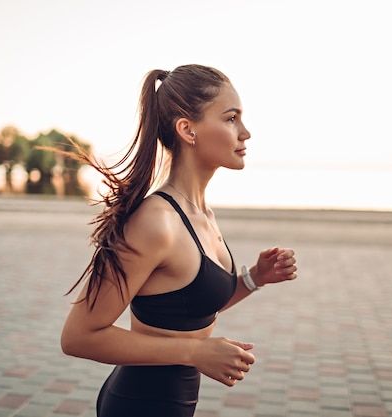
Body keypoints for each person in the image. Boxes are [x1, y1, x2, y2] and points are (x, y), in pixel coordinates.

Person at [60, 64, 298, 417]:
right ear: (188, 130)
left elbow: (187, 310)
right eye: (231, 118)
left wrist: (254, 279)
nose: (245, 133)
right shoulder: (156, 222)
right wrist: (194, 353)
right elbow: (78, 337)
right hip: (137, 406)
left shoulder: (202, 215)